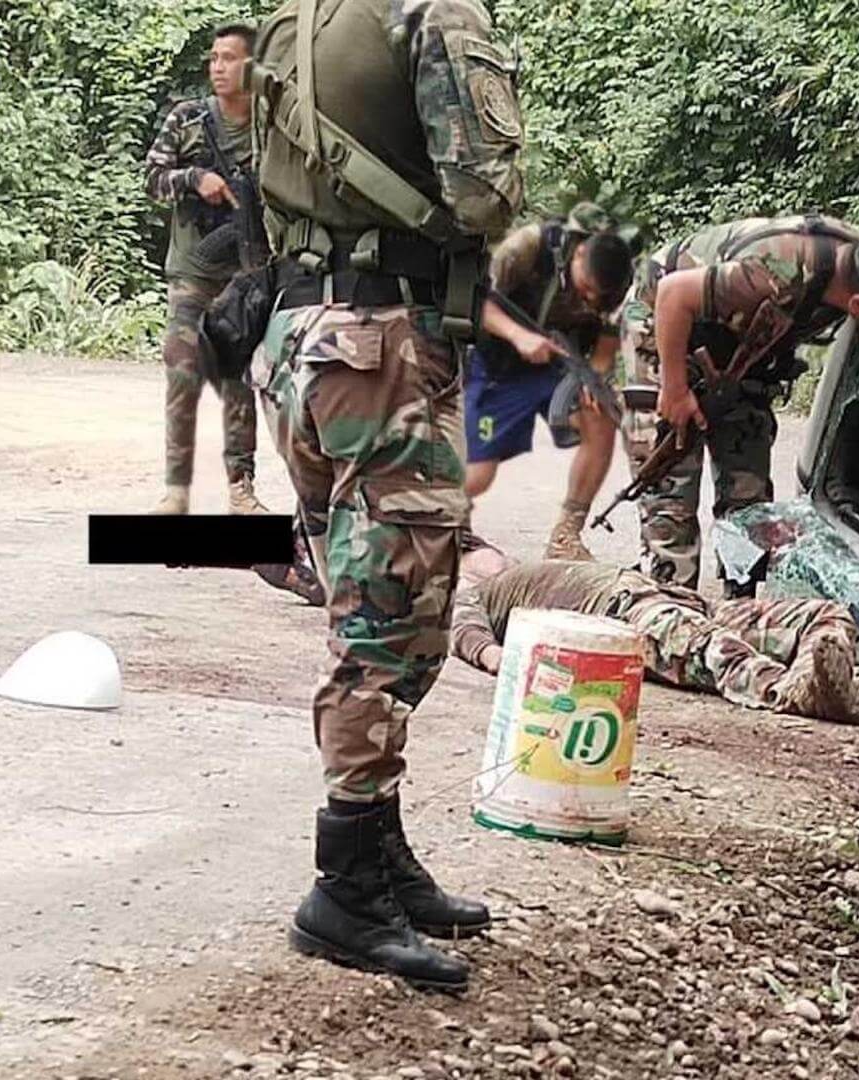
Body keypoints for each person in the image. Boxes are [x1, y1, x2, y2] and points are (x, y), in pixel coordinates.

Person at [246, 0, 523, 992]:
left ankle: (380, 852)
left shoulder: (298, 16)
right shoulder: (436, 14)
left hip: (301, 338)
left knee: (401, 612)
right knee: (383, 625)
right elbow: (485, 191)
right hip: (382, 351)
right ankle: (344, 891)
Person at [621, 215, 859, 590]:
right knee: (672, 477)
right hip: (662, 316)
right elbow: (673, 294)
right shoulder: (777, 272)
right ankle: (670, 601)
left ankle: (743, 606)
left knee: (748, 493)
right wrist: (674, 388)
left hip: (740, 340)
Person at [449, 547, 859, 723]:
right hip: (626, 615)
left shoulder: (512, 570)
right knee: (712, 649)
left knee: (820, 615)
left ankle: (836, 685)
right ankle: (786, 691)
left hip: (681, 600)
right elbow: (474, 642)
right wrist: (515, 661)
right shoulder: (467, 594)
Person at [144, 24, 268, 516]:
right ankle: (175, 490)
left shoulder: (271, 124)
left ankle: (241, 488)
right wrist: (195, 178)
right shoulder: (188, 118)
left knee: (238, 381)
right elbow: (152, 179)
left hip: (247, 273)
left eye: (229, 58)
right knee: (182, 372)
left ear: (253, 67)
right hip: (193, 270)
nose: (218, 67)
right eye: (213, 58)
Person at [469, 204, 635, 560]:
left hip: (557, 368)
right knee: (478, 475)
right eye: (587, 288)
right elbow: (473, 299)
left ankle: (565, 538)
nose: (591, 299)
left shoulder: (614, 281)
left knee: (600, 419)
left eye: (598, 296)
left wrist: (596, 380)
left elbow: (605, 348)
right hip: (496, 366)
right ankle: (447, 525)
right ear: (578, 255)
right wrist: (518, 336)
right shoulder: (527, 248)